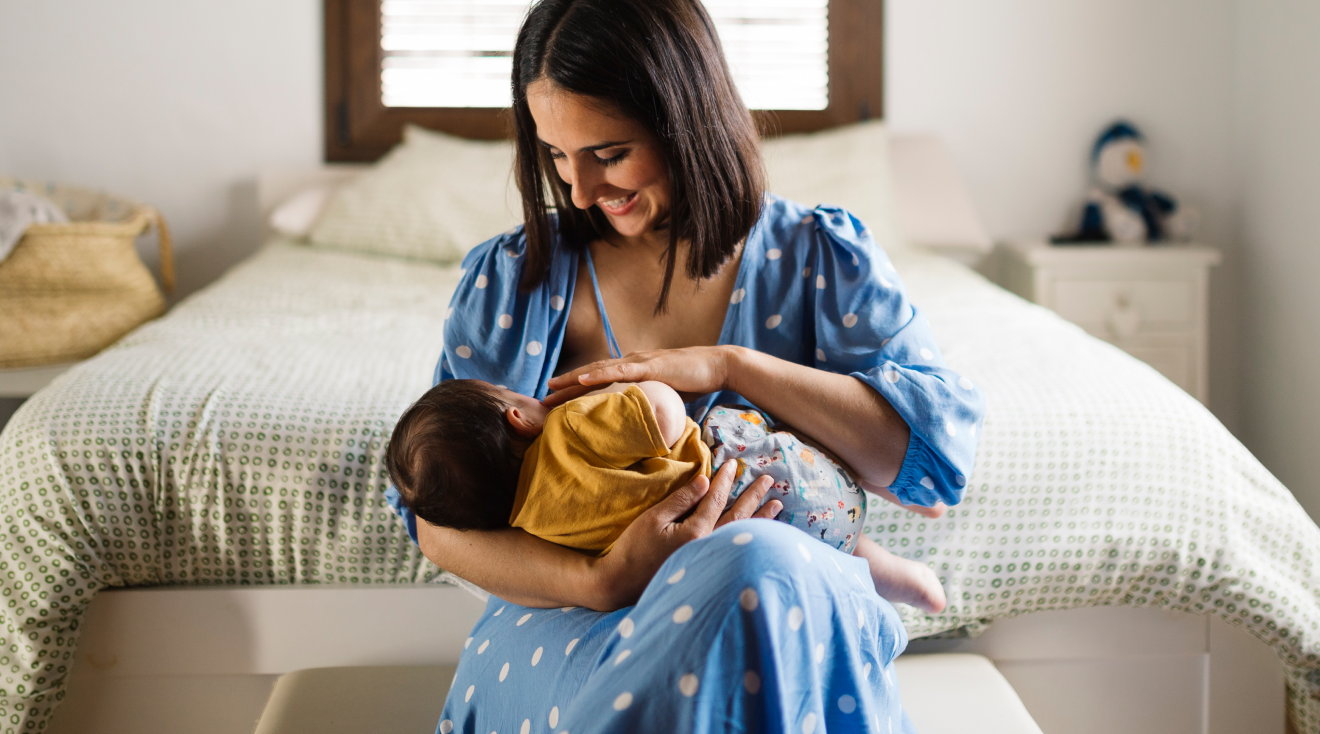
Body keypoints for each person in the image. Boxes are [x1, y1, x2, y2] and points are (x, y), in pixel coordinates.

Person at [382, 0, 985, 731]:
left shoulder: (822, 260)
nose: (579, 192)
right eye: (555, 157)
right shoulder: (514, 283)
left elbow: (928, 465)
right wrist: (599, 578)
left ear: (684, 118)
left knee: (752, 565)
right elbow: (437, 524)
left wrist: (731, 366)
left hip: (784, 604)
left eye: (608, 154)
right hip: (575, 623)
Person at [385, 378, 946, 610]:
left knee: (851, 552)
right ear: (519, 418)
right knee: (729, 418)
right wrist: (633, 390)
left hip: (743, 545)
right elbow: (661, 410)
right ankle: (885, 480)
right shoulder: (568, 428)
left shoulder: (533, 529)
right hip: (775, 480)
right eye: (514, 393)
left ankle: (898, 579)